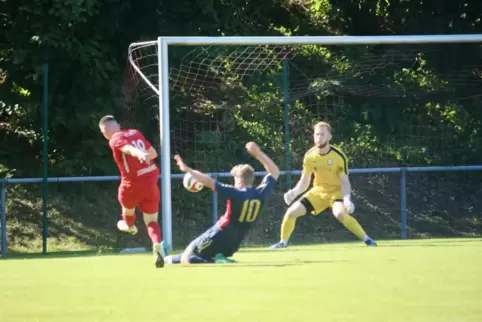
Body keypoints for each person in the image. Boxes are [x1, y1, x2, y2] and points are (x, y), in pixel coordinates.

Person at [162, 141, 279, 264]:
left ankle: (217, 261)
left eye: (234, 179)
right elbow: (274, 172)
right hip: (235, 244)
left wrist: (188, 170)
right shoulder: (260, 194)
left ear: (239, 180)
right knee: (195, 254)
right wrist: (258, 153)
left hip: (218, 235)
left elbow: (209, 181)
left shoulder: (235, 192)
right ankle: (165, 259)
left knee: (188, 256)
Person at [269, 121, 377, 249]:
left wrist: (347, 199)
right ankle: (283, 243)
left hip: (335, 192)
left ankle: (367, 240)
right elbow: (305, 181)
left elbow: (345, 182)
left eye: (322, 135)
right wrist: (294, 192)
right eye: (316, 134)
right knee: (291, 212)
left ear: (329, 137)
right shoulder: (309, 156)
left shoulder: (339, 156)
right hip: (317, 192)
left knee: (340, 214)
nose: (318, 138)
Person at [99, 115, 164, 268]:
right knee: (152, 221)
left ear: (104, 133)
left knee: (127, 212)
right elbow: (153, 153)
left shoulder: (114, 140)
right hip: (150, 182)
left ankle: (130, 226)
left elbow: (128, 149)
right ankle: (156, 244)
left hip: (131, 185)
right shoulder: (135, 132)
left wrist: (139, 154)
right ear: (119, 125)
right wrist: (143, 153)